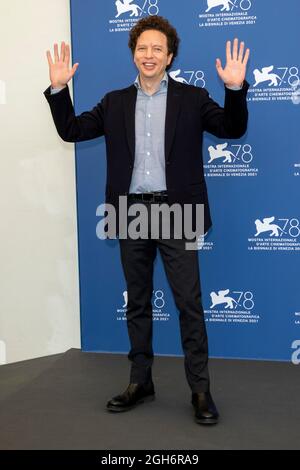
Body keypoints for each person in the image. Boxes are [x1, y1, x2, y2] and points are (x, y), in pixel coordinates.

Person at [44, 15, 249, 425]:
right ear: (134, 55)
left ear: (170, 56)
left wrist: (234, 89)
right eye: (142, 48)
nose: (149, 54)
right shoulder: (115, 101)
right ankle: (141, 382)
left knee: (188, 303)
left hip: (179, 212)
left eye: (157, 48)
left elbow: (231, 128)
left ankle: (200, 390)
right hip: (131, 211)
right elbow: (71, 130)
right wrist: (59, 88)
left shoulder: (192, 98)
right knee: (137, 303)